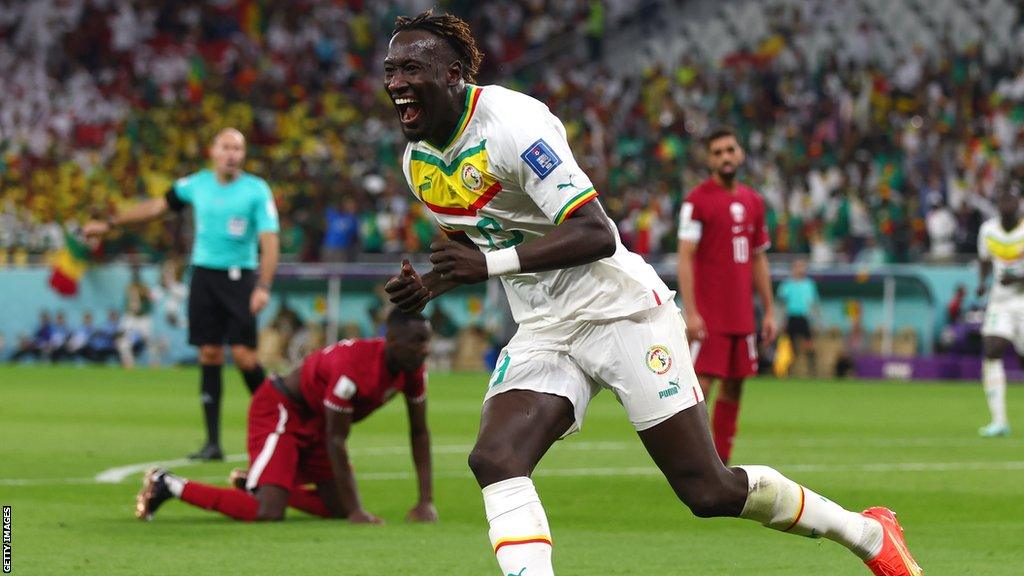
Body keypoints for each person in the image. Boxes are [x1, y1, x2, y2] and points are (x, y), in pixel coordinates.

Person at [381, 11, 921, 576]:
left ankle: (867, 534)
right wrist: (431, 284)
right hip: (545, 327)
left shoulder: (514, 122)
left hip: (620, 311)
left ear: (454, 74)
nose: (395, 82)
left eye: (411, 68)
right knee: (495, 458)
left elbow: (595, 232)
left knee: (707, 490)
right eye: (390, 70)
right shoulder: (417, 160)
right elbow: (476, 243)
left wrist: (487, 265)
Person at [134, 309, 436, 524]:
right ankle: (169, 484)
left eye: (427, 341)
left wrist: (425, 501)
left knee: (339, 508)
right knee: (268, 512)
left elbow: (419, 433)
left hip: (317, 418)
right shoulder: (352, 369)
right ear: (392, 340)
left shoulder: (412, 371)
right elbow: (336, 439)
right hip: (282, 409)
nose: (425, 350)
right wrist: (359, 511)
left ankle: (264, 485)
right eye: (418, 342)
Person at [84, 128, 280, 461]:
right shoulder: (195, 185)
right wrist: (112, 223)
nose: (232, 153)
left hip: (240, 278)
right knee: (209, 354)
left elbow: (270, 240)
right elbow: (156, 208)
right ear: (213, 151)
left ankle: (278, 425)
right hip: (203, 276)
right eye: (226, 147)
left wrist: (263, 286)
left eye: (238, 148)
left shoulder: (256, 190)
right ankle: (213, 443)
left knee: (245, 357)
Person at [676, 127, 778, 465]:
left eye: (729, 150)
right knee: (700, 388)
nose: (725, 157)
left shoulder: (754, 202)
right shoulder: (696, 202)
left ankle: (721, 462)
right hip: (709, 313)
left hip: (742, 314)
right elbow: (685, 256)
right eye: (717, 152)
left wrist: (769, 311)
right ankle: (693, 461)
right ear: (709, 160)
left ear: (741, 154)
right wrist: (691, 312)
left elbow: (759, 257)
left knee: (736, 385)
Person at [974, 188, 1022, 438]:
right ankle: (999, 421)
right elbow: (984, 260)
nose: (1007, 204)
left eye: (1011, 200)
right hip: (999, 302)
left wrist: (1018, 276)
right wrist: (982, 283)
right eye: (1003, 199)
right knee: (992, 349)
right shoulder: (988, 230)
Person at [776, 258, 821, 375]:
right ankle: (787, 370)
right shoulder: (787, 284)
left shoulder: (809, 284)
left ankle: (812, 371)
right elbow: (781, 305)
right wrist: (780, 322)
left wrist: (816, 322)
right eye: (797, 266)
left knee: (809, 345)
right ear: (793, 269)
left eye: (802, 266)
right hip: (791, 318)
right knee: (790, 347)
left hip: (804, 318)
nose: (800, 269)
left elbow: (814, 304)